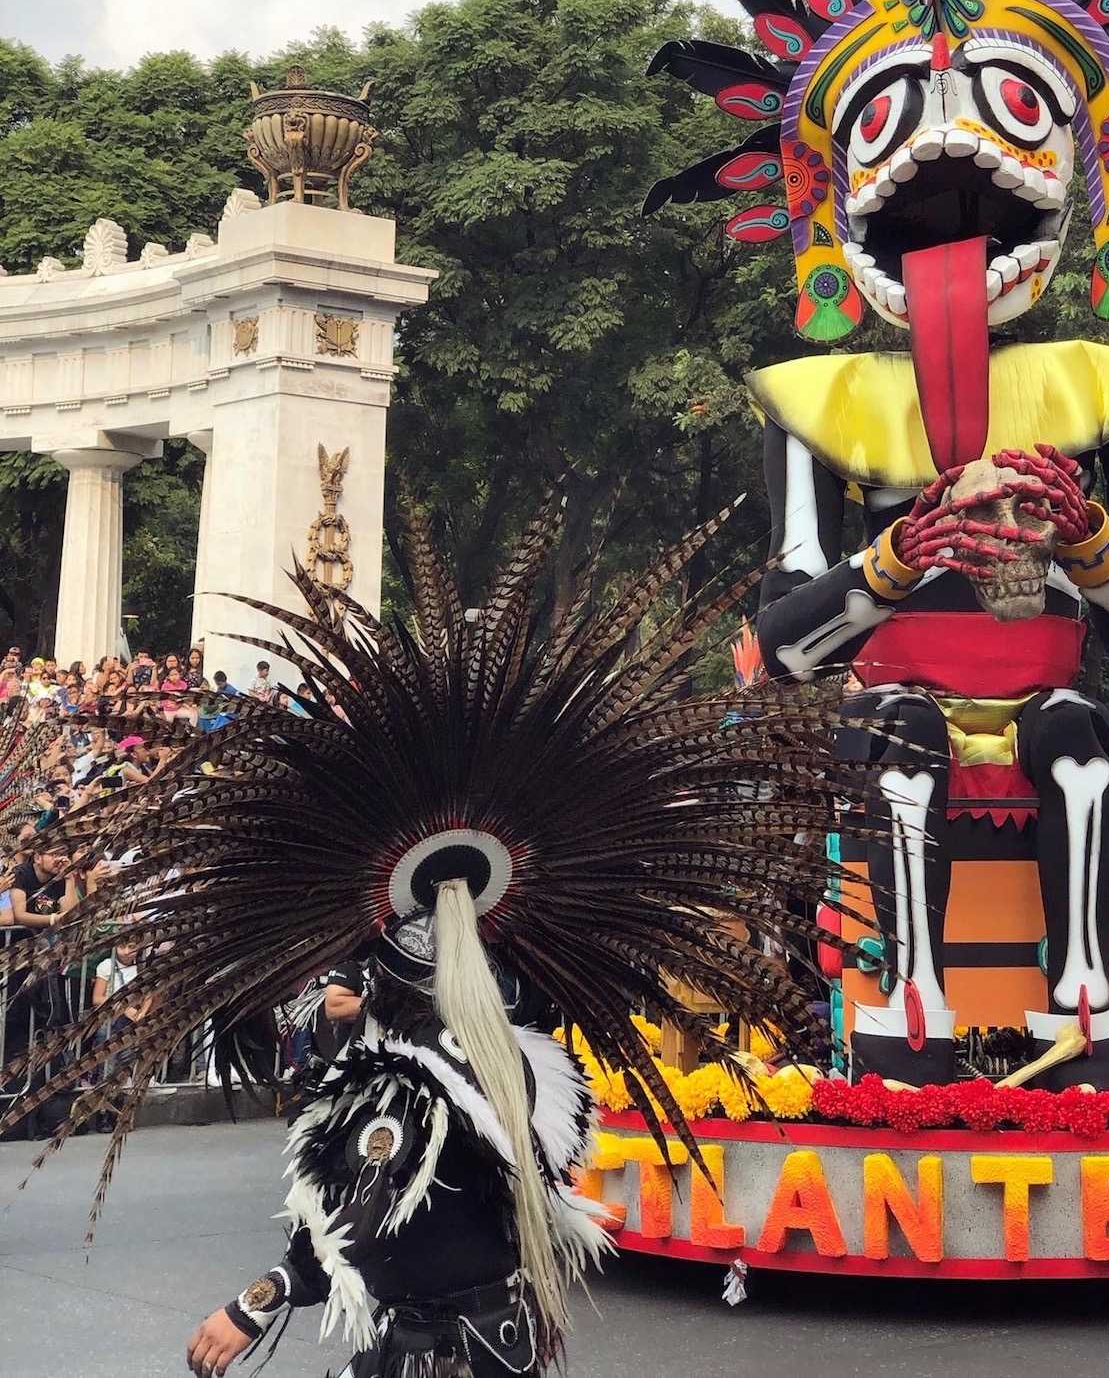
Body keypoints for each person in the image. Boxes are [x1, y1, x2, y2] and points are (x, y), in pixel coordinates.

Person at [2, 514, 874, 1378]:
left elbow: (367, 1220)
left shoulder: (416, 1086)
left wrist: (254, 1302)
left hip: (444, 1354)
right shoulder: (518, 1060)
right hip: (493, 1341)